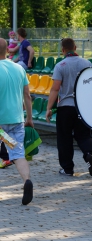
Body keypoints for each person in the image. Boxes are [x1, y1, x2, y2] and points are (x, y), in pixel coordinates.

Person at [46, 38, 92, 177]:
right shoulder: (86, 63)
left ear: (63, 49)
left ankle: (67, 168)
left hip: (65, 107)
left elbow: (55, 89)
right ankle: (88, 154)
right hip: (82, 106)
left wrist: (49, 108)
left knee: (64, 138)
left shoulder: (60, 65)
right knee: (83, 135)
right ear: (75, 47)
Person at [0, 38, 33, 205]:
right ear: (7, 50)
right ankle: (27, 180)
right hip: (16, 121)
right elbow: (27, 95)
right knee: (18, 154)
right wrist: (29, 118)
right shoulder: (19, 68)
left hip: (0, 127)